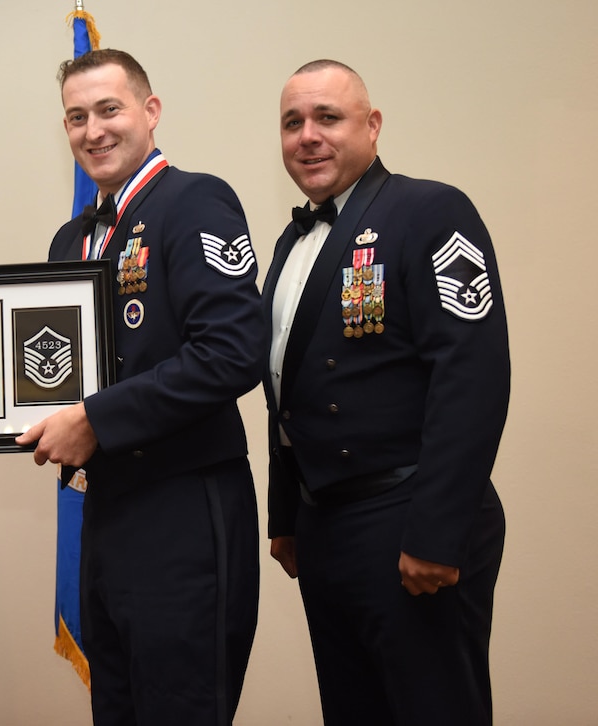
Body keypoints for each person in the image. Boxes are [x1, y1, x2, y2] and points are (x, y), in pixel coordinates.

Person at [15, 49, 263, 726]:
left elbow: (233, 352)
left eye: (108, 110)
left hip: (185, 509)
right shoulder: (71, 240)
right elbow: (38, 384)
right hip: (108, 514)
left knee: (179, 709)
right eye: (75, 117)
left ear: (150, 113)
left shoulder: (194, 200)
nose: (92, 130)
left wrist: (96, 419)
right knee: (118, 707)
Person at [263, 59, 510, 725]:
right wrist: (285, 515)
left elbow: (472, 375)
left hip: (408, 518)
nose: (308, 136)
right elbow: (284, 388)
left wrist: (437, 531)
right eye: (293, 123)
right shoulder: (291, 242)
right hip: (325, 527)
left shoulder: (431, 211)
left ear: (372, 127)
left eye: (327, 118)